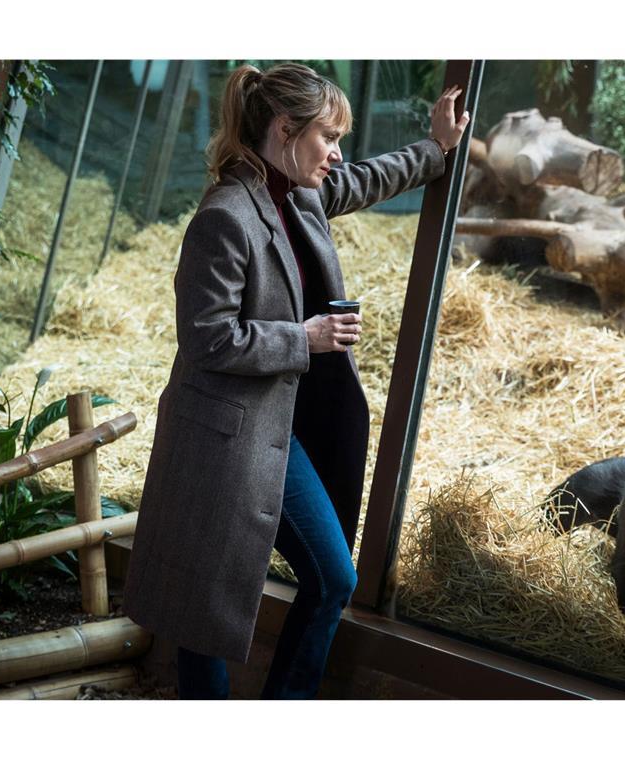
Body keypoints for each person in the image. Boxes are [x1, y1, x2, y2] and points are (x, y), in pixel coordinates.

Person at [122, 62, 469, 699]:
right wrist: (303, 338)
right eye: (327, 138)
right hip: (228, 439)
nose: (337, 155)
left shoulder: (299, 192)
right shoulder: (225, 215)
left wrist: (438, 148)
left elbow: (365, 179)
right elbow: (207, 338)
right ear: (285, 130)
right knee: (205, 608)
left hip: (283, 430)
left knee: (333, 578)